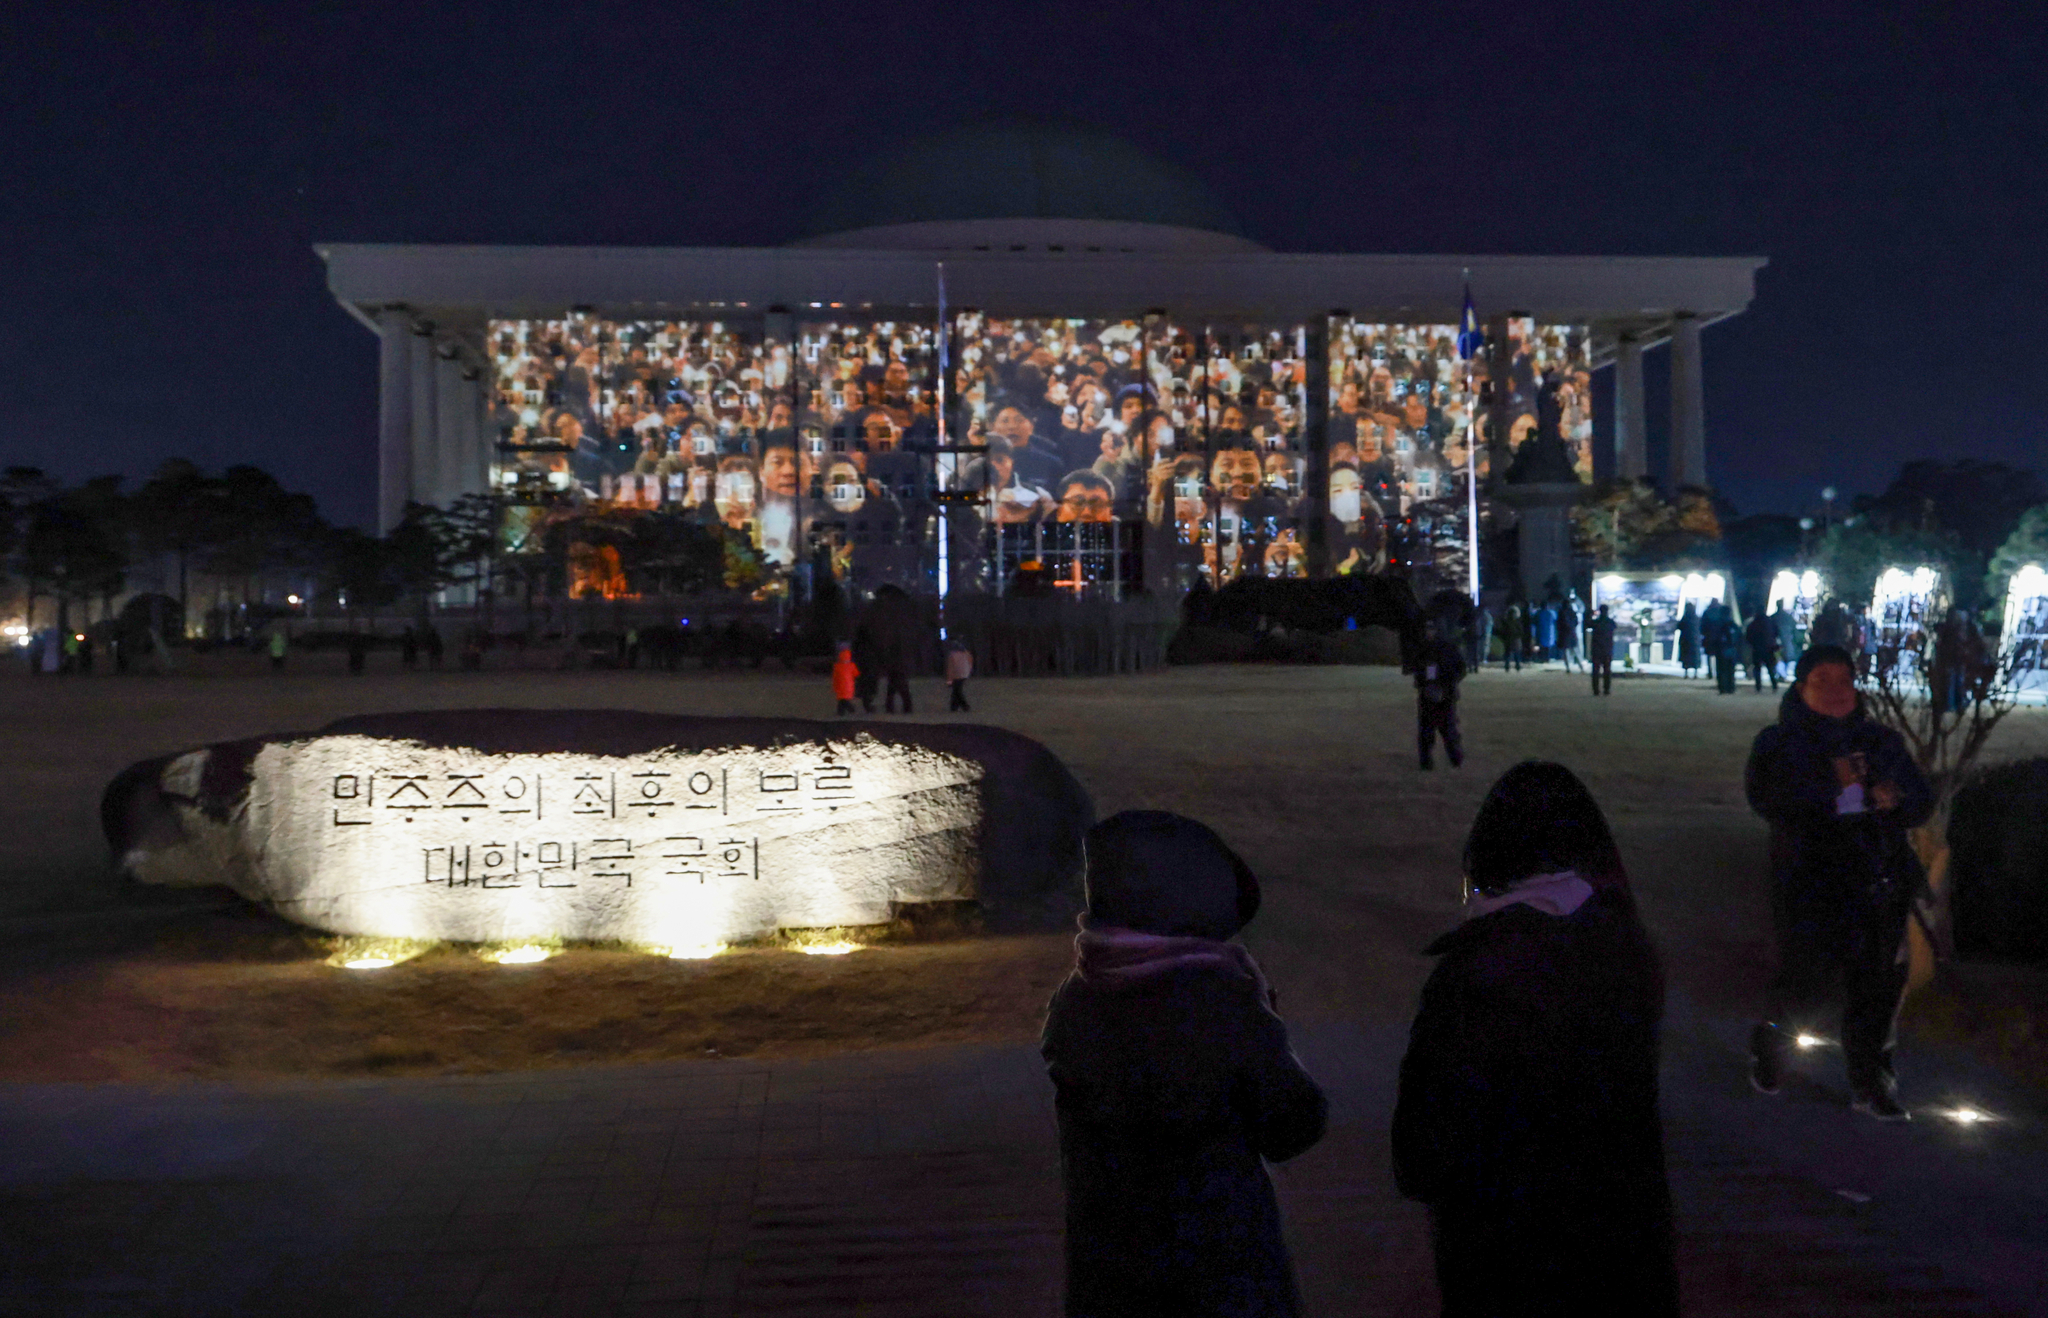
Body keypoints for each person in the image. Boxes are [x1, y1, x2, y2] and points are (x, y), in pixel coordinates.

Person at [1394, 761, 1677, 1317]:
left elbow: (1424, 1142)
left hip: (1507, 1247)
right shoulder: (1622, 947)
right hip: (1621, 1240)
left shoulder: (1481, 969)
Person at [1042, 810, 1327, 1318]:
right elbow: (1291, 1126)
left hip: (1110, 1275)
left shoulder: (1077, 998)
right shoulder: (1216, 1000)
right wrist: (1266, 1027)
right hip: (1221, 1272)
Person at [1745, 645, 1935, 1120]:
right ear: (1801, 687)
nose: (1836, 690)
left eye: (1844, 680)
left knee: (1876, 984)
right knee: (1804, 980)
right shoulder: (1779, 743)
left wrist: (1895, 798)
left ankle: (1871, 1079)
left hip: (1877, 879)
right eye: (1822, 680)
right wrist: (1841, 796)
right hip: (1810, 879)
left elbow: (1920, 799)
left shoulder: (1880, 741)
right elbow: (1770, 798)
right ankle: (1772, 1051)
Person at [1413, 621, 1467, 771]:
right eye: (1426, 629)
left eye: (1431, 629)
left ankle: (1456, 759)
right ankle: (1426, 762)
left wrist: (1447, 683)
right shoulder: (1423, 648)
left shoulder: (1448, 648)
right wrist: (1422, 682)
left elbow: (1460, 669)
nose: (1428, 632)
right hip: (1427, 693)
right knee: (1426, 731)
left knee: (1448, 730)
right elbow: (1417, 668)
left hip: (1445, 694)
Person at [1746, 608, 1782, 692]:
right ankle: (1774, 684)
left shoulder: (1753, 623)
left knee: (1757, 668)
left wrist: (1753, 644)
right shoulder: (1770, 622)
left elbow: (1748, 636)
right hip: (1769, 648)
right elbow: (1777, 633)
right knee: (1770, 668)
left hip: (1757, 648)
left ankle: (1758, 686)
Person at [1588, 605, 1616, 696]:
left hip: (1596, 649)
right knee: (1607, 670)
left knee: (1596, 670)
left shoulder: (1596, 622)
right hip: (1607, 649)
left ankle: (1596, 690)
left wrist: (1590, 614)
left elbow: (1587, 624)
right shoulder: (1611, 622)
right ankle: (1606, 689)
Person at [945, 637, 973, 712]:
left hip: (957, 674)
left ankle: (965, 706)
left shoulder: (952, 655)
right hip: (965, 673)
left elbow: (951, 667)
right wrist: (968, 672)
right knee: (956, 691)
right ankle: (954, 707)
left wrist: (949, 680)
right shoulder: (966, 654)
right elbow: (970, 663)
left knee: (957, 691)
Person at [1556, 594, 1582, 673]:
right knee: (1575, 650)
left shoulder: (1561, 612)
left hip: (1564, 633)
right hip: (1572, 632)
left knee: (1566, 651)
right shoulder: (1572, 611)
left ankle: (1568, 667)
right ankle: (1581, 666)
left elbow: (1558, 623)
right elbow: (1576, 622)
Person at [832, 641, 858, 716]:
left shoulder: (837, 666)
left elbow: (835, 677)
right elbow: (856, 674)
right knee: (845, 699)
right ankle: (849, 709)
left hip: (840, 686)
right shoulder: (851, 665)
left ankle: (843, 711)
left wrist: (834, 686)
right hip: (849, 686)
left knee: (841, 699)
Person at [1678, 602, 1703, 678]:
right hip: (1695, 640)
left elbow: (1679, 627)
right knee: (1695, 657)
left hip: (1685, 640)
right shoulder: (1697, 618)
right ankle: (1695, 673)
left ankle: (1686, 673)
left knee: (1686, 657)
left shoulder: (1684, 618)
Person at [1497, 604, 1524, 673]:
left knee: (1508, 654)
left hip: (1509, 639)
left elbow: (1502, 631)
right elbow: (1521, 631)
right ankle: (1517, 666)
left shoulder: (1506, 622)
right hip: (1515, 639)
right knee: (1516, 654)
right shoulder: (1517, 622)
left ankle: (1508, 666)